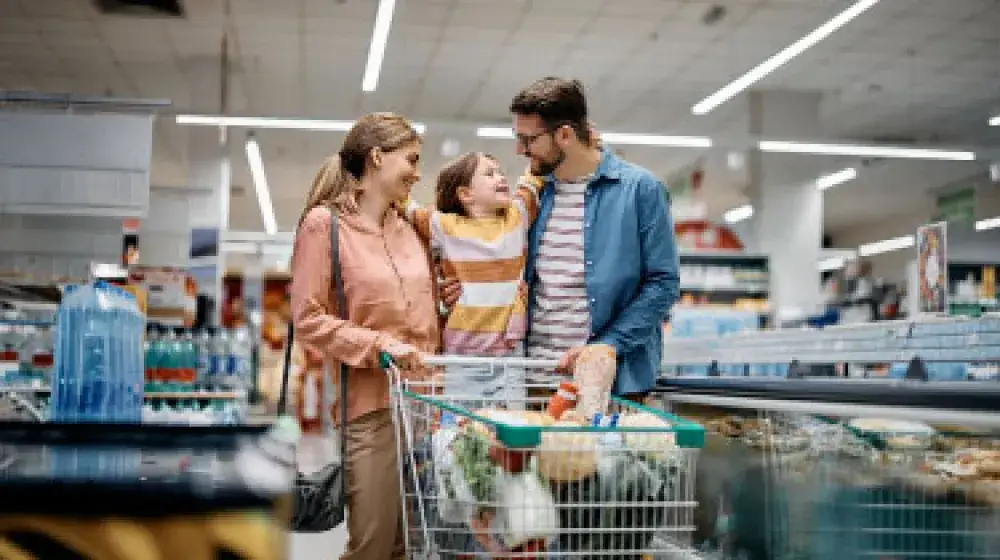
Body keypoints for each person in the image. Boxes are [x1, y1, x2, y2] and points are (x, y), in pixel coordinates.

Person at [443, 77, 681, 402]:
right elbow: (504, 260)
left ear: (565, 135)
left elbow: (663, 284)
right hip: (532, 383)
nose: (519, 150)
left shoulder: (640, 190)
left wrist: (608, 344)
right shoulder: (534, 197)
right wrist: (469, 286)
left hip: (609, 384)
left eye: (528, 139)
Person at [290, 112, 440, 560]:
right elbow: (307, 317)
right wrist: (379, 345)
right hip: (371, 408)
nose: (417, 172)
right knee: (372, 546)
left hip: (426, 408)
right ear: (377, 157)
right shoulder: (326, 225)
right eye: (411, 159)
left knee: (408, 547)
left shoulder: (411, 229)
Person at [404, 152, 539, 407]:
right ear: (465, 194)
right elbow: (409, 209)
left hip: (509, 354)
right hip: (462, 355)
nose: (500, 177)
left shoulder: (517, 216)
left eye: (500, 172)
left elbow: (533, 179)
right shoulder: (445, 227)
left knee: (509, 423)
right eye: (489, 174)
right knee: (461, 425)